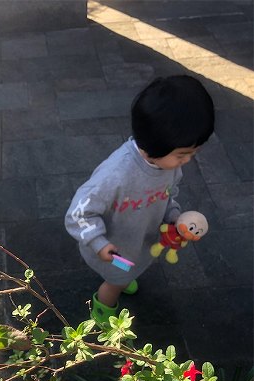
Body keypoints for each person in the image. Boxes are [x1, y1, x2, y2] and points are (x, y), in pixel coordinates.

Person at [64, 75, 214, 324]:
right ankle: (104, 312)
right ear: (156, 144)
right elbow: (78, 213)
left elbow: (168, 195)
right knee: (116, 280)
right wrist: (98, 243)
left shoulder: (168, 164)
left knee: (131, 267)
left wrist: (174, 218)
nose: (187, 161)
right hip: (114, 250)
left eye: (193, 152)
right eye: (183, 154)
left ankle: (126, 275)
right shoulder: (115, 176)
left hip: (138, 244)